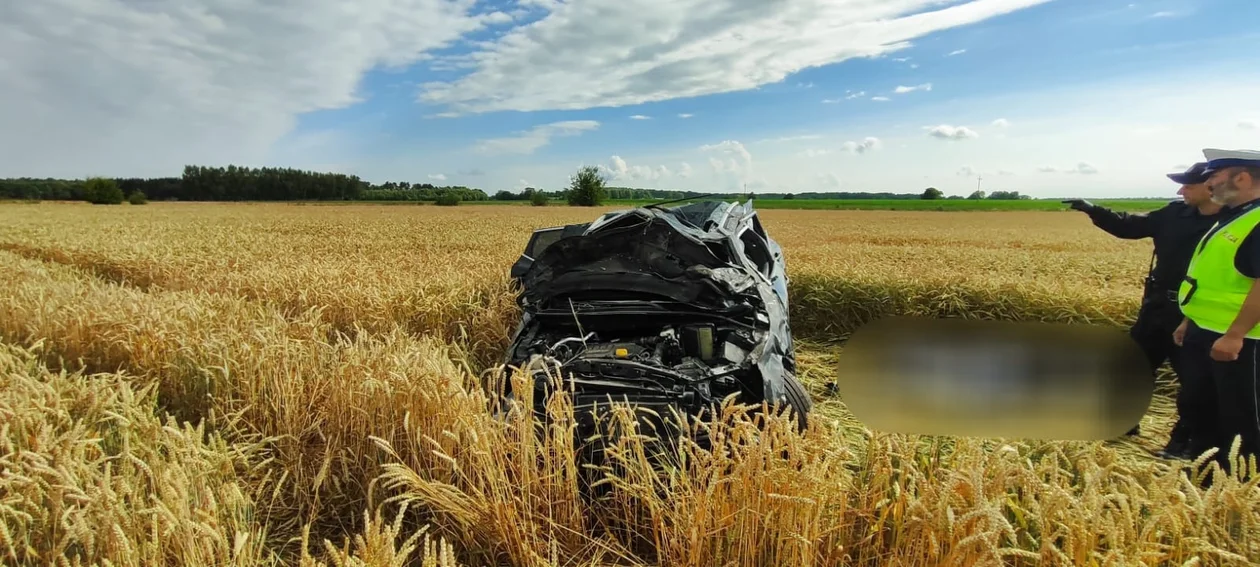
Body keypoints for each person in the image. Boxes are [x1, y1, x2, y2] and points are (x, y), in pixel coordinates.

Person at [1062, 162, 1222, 456]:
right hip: (1157, 306)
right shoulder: (1174, 214)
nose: (1180, 190)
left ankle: (1183, 443)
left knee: (1195, 383)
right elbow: (1130, 226)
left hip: (1196, 313)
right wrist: (1093, 210)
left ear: (1210, 185)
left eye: (1187, 185)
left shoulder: (1229, 224)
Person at [1173, 148, 1260, 477]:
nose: (1208, 184)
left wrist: (1235, 335)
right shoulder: (1233, 216)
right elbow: (1209, 278)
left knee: (1240, 421)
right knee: (1201, 410)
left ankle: (1241, 492)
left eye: (1214, 177)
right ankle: (1205, 478)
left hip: (1242, 341)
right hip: (1205, 331)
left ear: (1242, 177)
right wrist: (1189, 319)